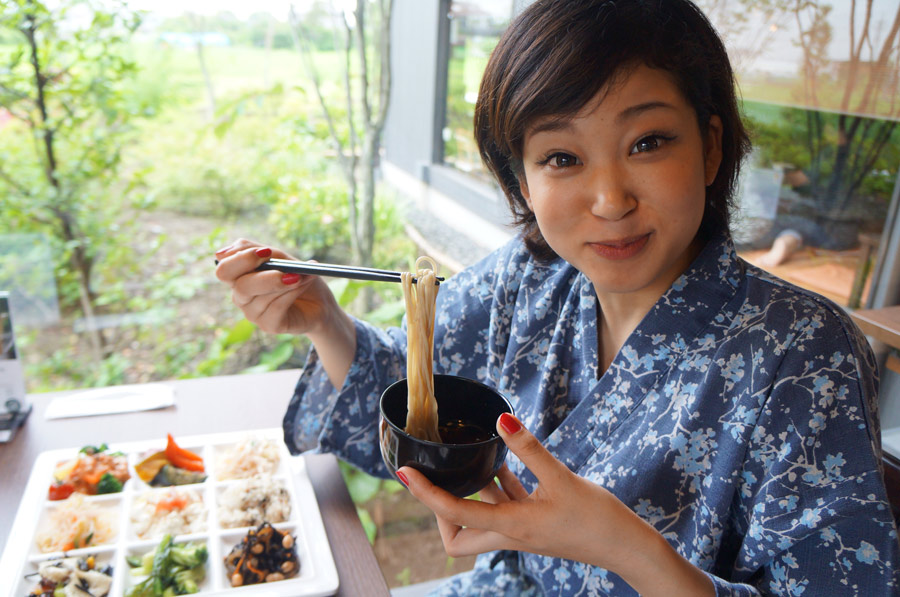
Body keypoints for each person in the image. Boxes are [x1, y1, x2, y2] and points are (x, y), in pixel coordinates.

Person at [215, 0, 900, 594]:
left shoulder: (804, 351)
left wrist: (622, 544)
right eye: (562, 158)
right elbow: (411, 398)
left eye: (648, 141)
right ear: (523, 179)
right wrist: (322, 318)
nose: (610, 200)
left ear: (711, 147)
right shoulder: (531, 278)